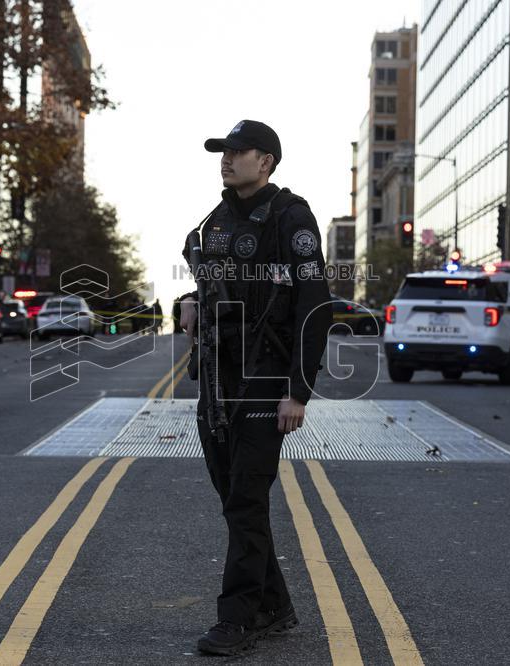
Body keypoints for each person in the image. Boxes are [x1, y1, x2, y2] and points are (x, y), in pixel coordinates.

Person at [178, 119, 331, 656]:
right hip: (219, 376)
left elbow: (316, 305)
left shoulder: (291, 217)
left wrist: (299, 390)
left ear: (265, 161)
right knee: (231, 494)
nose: (227, 158)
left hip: (266, 376)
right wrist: (190, 303)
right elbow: (207, 281)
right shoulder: (217, 219)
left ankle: (237, 618)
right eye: (224, 151)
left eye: (238, 151)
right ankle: (273, 606)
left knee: (246, 499)